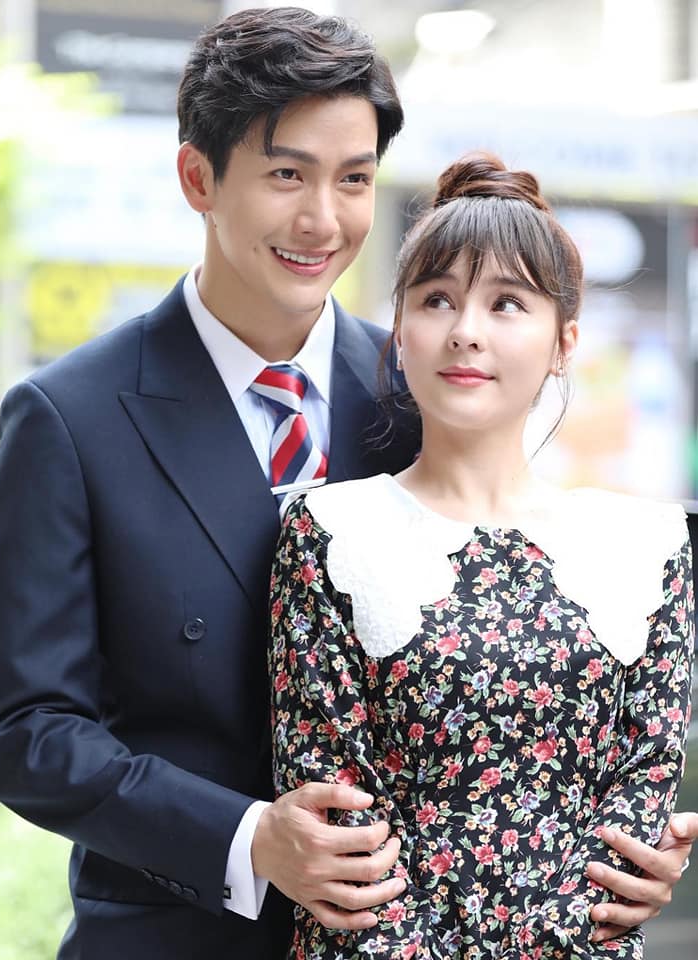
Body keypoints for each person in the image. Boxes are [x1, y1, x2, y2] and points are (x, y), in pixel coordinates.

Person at [0, 6, 694, 959]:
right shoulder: (71, 417)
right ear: (198, 178)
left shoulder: (427, 383)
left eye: (353, 178)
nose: (323, 219)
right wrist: (249, 840)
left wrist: (612, 844)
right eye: (286, 174)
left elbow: (523, 635)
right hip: (182, 937)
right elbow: (24, 729)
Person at [269, 152, 696, 959]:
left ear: (564, 342)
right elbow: (336, 810)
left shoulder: (645, 545)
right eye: (437, 299)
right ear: (401, 335)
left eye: (507, 303)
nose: (466, 330)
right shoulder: (328, 531)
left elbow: (638, 803)